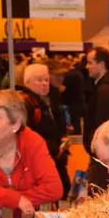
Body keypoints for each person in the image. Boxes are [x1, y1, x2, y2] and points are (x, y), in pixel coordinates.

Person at [19, 62, 70, 197]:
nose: (44, 83)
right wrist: (52, 146)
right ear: (27, 82)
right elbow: (26, 135)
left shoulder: (49, 100)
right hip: (39, 160)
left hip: (53, 156)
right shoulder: (27, 103)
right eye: (39, 80)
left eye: (46, 80)